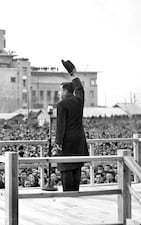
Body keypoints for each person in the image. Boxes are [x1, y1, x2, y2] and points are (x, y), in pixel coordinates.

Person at [55, 60, 89, 191]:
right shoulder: (79, 100)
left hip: (66, 141)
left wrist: (58, 142)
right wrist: (74, 75)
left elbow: (60, 125)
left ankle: (68, 194)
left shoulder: (62, 104)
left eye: (60, 91)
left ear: (65, 91)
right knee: (76, 167)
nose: (58, 94)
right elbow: (80, 89)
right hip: (79, 140)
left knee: (66, 168)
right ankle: (76, 193)